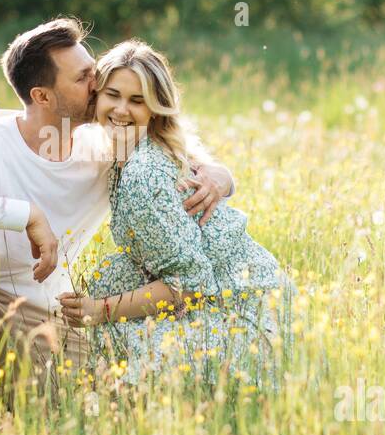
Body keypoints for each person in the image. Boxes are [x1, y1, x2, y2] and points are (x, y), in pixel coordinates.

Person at [0, 16, 235, 398]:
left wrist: (221, 176)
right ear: (42, 96)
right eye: (82, 78)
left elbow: (177, 156)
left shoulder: (104, 148)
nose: (98, 84)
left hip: (34, 314)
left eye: (93, 72)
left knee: (97, 408)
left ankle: (9, 399)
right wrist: (28, 215)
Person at [55, 40, 291, 388]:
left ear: (156, 110)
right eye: (113, 95)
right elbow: (46, 115)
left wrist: (99, 309)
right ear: (96, 99)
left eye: (138, 101)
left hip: (242, 310)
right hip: (228, 293)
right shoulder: (127, 150)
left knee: (126, 363)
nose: (121, 110)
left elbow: (189, 283)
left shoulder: (142, 175)